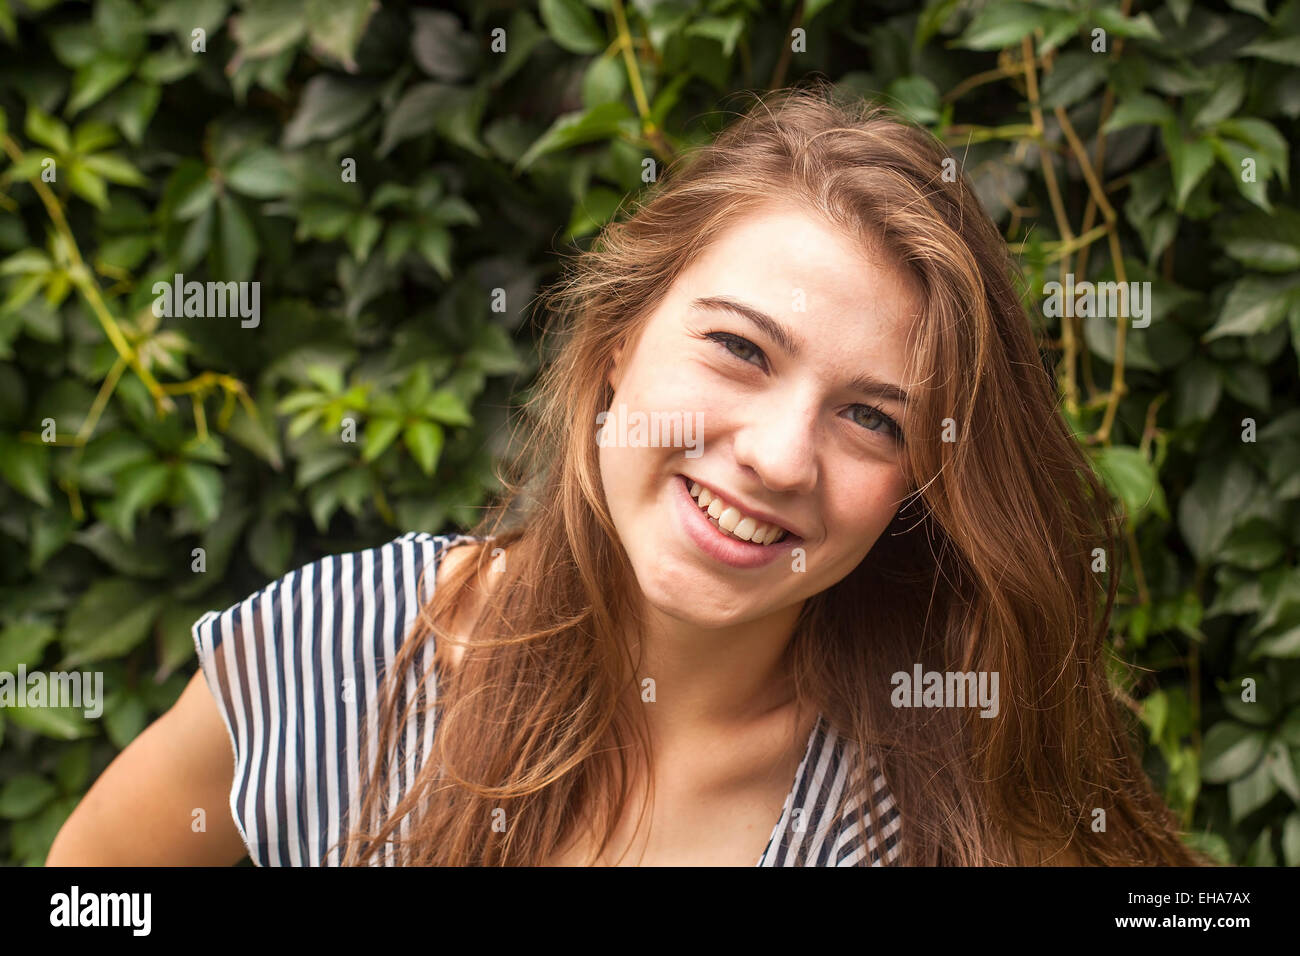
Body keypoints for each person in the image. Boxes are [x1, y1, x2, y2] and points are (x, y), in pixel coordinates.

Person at [46, 81, 1206, 867]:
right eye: (740, 349)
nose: (776, 454)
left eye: (870, 418)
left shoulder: (940, 788)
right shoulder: (334, 652)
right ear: (614, 346)